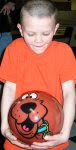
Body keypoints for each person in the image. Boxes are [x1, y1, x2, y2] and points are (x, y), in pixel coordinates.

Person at [0, 0, 76, 150]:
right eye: (31, 34)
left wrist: (65, 132)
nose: (39, 40)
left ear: (55, 29)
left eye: (46, 33)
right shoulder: (13, 50)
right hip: (18, 129)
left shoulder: (64, 52)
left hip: (52, 129)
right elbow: (8, 89)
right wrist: (4, 126)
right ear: (21, 30)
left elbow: (69, 93)